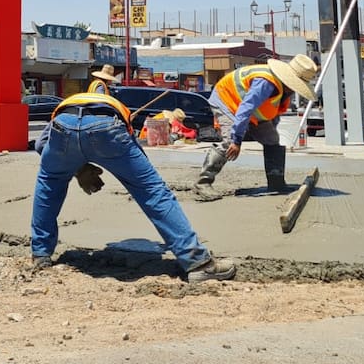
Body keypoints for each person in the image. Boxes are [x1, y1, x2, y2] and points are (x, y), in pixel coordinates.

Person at [30, 91, 236, 283]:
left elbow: (41, 146)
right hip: (107, 126)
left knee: (49, 185)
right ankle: (198, 263)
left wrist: (77, 168)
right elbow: (141, 168)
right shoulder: (119, 110)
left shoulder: (68, 103)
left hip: (63, 124)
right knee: (154, 192)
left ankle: (40, 255)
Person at [196, 54, 319, 197]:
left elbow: (272, 113)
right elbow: (246, 108)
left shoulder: (283, 89)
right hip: (227, 101)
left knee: (272, 139)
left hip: (249, 111)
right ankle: (203, 182)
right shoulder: (266, 82)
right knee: (229, 143)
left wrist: (268, 127)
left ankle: (276, 182)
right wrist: (237, 140)